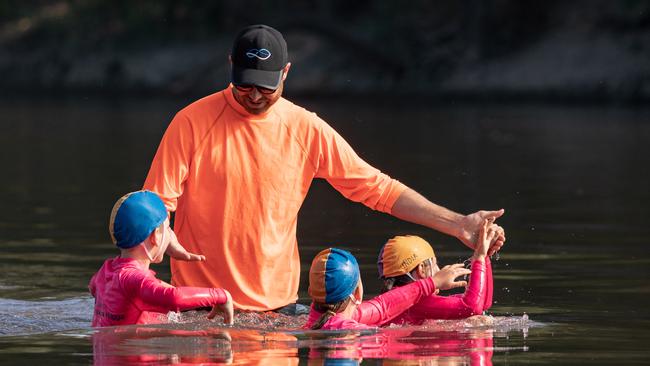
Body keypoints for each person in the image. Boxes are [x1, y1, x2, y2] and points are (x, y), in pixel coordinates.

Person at [143, 24, 506, 312]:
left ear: (286, 72)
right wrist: (159, 239)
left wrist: (458, 223)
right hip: (199, 309)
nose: (254, 95)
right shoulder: (190, 122)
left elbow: (377, 188)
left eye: (266, 87)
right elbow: (152, 207)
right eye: (246, 85)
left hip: (278, 311)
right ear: (231, 66)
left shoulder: (305, 129)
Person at [89, 190, 234, 327]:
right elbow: (174, 298)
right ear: (156, 236)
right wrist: (221, 295)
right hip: (132, 351)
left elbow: (94, 287)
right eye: (168, 229)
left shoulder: (106, 271)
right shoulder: (135, 281)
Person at [304, 248, 471, 330]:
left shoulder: (312, 323)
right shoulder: (352, 331)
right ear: (357, 293)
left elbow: (384, 306)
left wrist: (433, 282)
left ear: (312, 292)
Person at [376, 219, 496, 324]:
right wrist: (479, 257)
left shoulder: (398, 298)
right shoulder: (413, 301)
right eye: (435, 264)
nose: (439, 270)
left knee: (479, 320)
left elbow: (483, 304)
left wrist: (485, 254)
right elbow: (471, 307)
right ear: (422, 269)